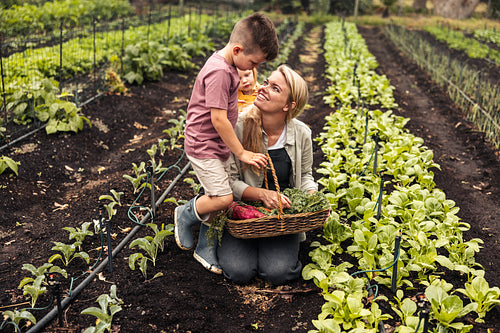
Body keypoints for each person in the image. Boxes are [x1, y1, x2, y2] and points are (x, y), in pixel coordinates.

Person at [174, 13, 279, 275]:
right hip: (204, 145)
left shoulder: (229, 67)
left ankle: (204, 247)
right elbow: (219, 119)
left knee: (217, 194)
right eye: (252, 62)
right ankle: (185, 214)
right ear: (237, 50)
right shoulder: (220, 71)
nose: (251, 69)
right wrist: (241, 152)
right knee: (222, 198)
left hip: (216, 144)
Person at [218, 64, 317, 285]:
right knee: (238, 272)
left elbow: (305, 176)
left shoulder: (302, 134)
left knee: (278, 273)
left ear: (289, 106)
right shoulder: (238, 127)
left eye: (275, 88)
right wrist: (262, 195)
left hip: (283, 217)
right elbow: (228, 182)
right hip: (244, 212)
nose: (262, 88)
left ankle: (271, 249)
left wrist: (311, 195)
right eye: (265, 83)